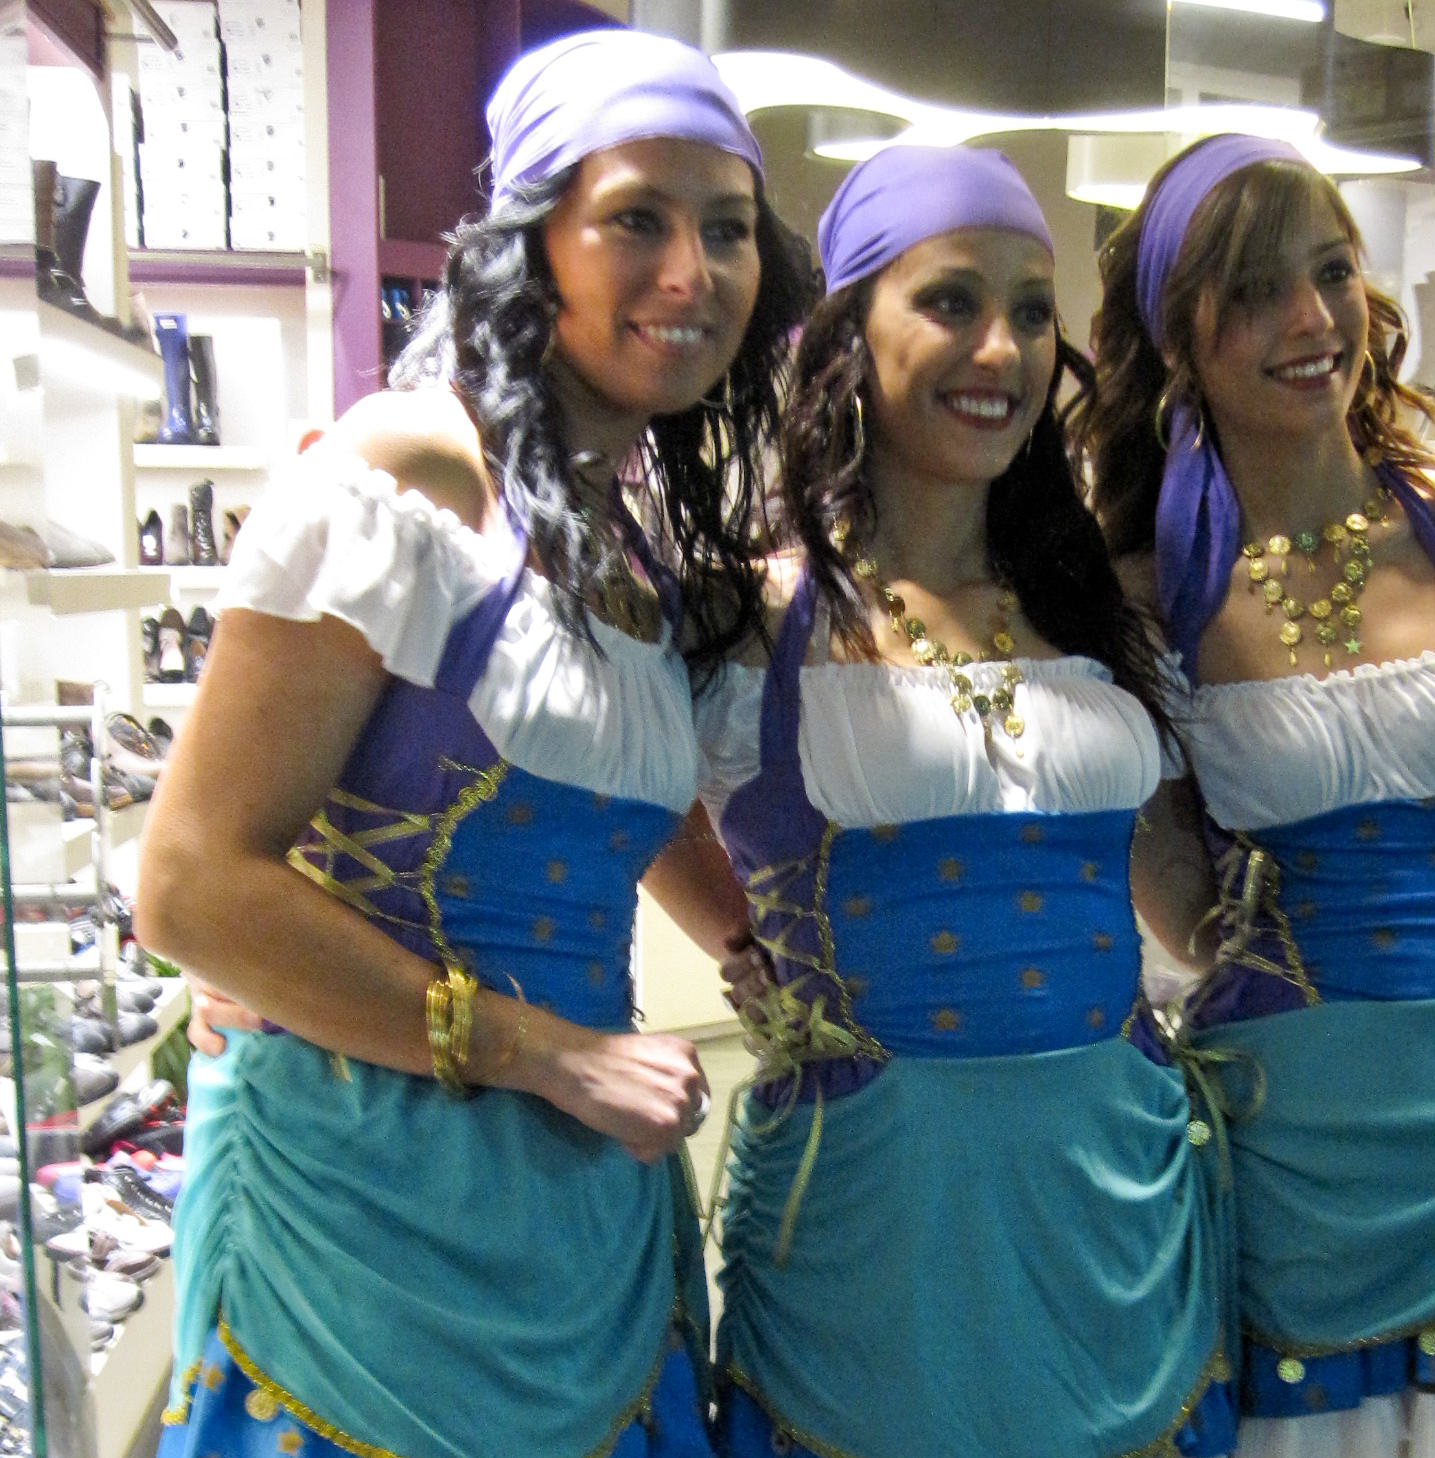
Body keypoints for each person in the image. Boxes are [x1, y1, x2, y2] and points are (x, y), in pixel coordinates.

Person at [137, 31, 814, 1458]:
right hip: (362, 1202)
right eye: (636, 219)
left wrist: (756, 948)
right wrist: (548, 1053)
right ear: (531, 246)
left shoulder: (625, 532)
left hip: (580, 1205)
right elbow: (191, 887)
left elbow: (608, 800)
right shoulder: (409, 471)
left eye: (728, 229)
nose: (692, 272)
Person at [1080, 134, 1435, 1457]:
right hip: (1306, 1152)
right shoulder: (1146, 600)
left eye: (1333, 271)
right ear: (1177, 338)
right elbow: (1185, 914)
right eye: (1253, 291)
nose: (1311, 319)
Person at [694, 143, 1236, 1458]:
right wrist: (740, 937)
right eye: (950, 301)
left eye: (1034, 311)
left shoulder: (1096, 608)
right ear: (847, 335)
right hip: (874, 1219)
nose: (1003, 348)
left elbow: (1182, 899)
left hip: (1114, 1189)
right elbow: (600, 802)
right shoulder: (749, 617)